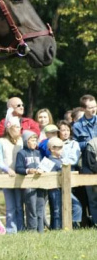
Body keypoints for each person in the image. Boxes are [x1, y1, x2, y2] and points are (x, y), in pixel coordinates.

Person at [37, 137, 82, 229]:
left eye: (62, 146)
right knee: (56, 211)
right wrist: (40, 170)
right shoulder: (48, 160)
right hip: (54, 190)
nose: (62, 149)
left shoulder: (62, 160)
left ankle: (73, 225)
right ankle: (56, 230)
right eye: (59, 147)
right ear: (52, 149)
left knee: (76, 206)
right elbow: (40, 170)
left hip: (64, 189)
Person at [72, 95, 97, 226]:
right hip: (88, 166)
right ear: (83, 108)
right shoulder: (77, 126)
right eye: (90, 107)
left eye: (95, 106)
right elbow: (77, 146)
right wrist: (90, 144)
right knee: (92, 198)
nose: (94, 109)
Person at [0, 123, 24, 233]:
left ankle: (21, 228)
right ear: (9, 128)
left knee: (19, 205)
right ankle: (11, 229)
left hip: (20, 176)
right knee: (10, 206)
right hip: (7, 176)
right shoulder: (1, 142)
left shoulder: (21, 141)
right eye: (16, 127)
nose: (19, 129)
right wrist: (7, 169)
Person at [15, 130, 45, 233]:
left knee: (40, 207)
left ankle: (40, 230)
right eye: (32, 140)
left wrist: (42, 170)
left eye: (35, 140)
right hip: (28, 185)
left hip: (40, 184)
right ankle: (32, 230)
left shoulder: (38, 153)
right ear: (26, 141)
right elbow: (18, 168)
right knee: (31, 207)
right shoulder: (21, 153)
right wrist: (28, 171)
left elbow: (42, 165)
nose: (34, 142)